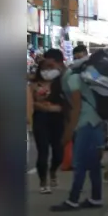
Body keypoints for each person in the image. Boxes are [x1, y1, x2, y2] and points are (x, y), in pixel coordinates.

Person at [51, 45, 107, 212]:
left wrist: (68, 132)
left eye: (49, 65)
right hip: (95, 121)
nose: (48, 69)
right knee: (93, 164)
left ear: (58, 63)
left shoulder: (72, 77)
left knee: (80, 163)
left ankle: (73, 199)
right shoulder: (78, 75)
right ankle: (96, 198)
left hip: (86, 123)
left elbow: (76, 107)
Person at [29, 49, 66, 194]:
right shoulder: (34, 84)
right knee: (43, 151)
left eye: (51, 67)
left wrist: (58, 108)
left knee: (58, 153)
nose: (48, 70)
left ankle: (53, 171)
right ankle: (43, 181)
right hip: (40, 119)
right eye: (45, 68)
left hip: (57, 118)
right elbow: (31, 102)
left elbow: (67, 101)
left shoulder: (61, 82)